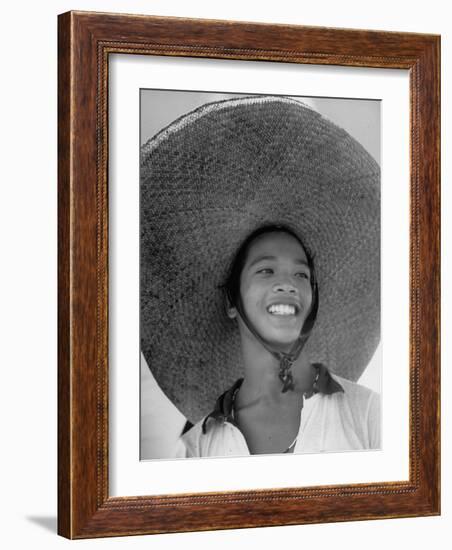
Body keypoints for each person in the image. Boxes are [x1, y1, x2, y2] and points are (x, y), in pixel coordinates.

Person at [140, 95, 380, 458]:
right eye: (266, 270)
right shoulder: (200, 448)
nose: (288, 284)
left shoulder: (369, 417)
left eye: (302, 274)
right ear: (231, 301)